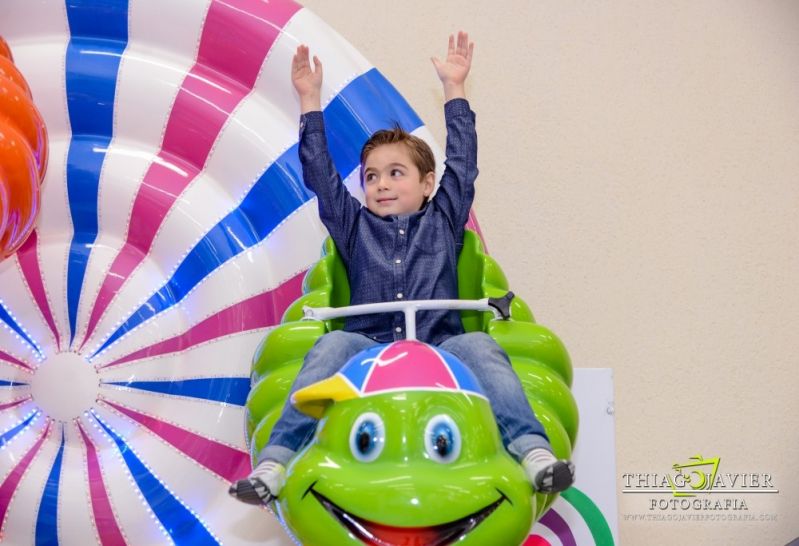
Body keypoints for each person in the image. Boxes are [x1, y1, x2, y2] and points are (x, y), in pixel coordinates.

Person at [229, 32, 574, 506]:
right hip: (366, 343)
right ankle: (276, 461)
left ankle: (533, 453)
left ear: (426, 183)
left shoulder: (445, 217)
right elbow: (320, 176)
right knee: (328, 347)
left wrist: (454, 89)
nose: (381, 185)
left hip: (440, 339)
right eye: (371, 176)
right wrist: (310, 100)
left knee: (482, 348)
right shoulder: (353, 225)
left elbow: (465, 164)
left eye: (396, 173)